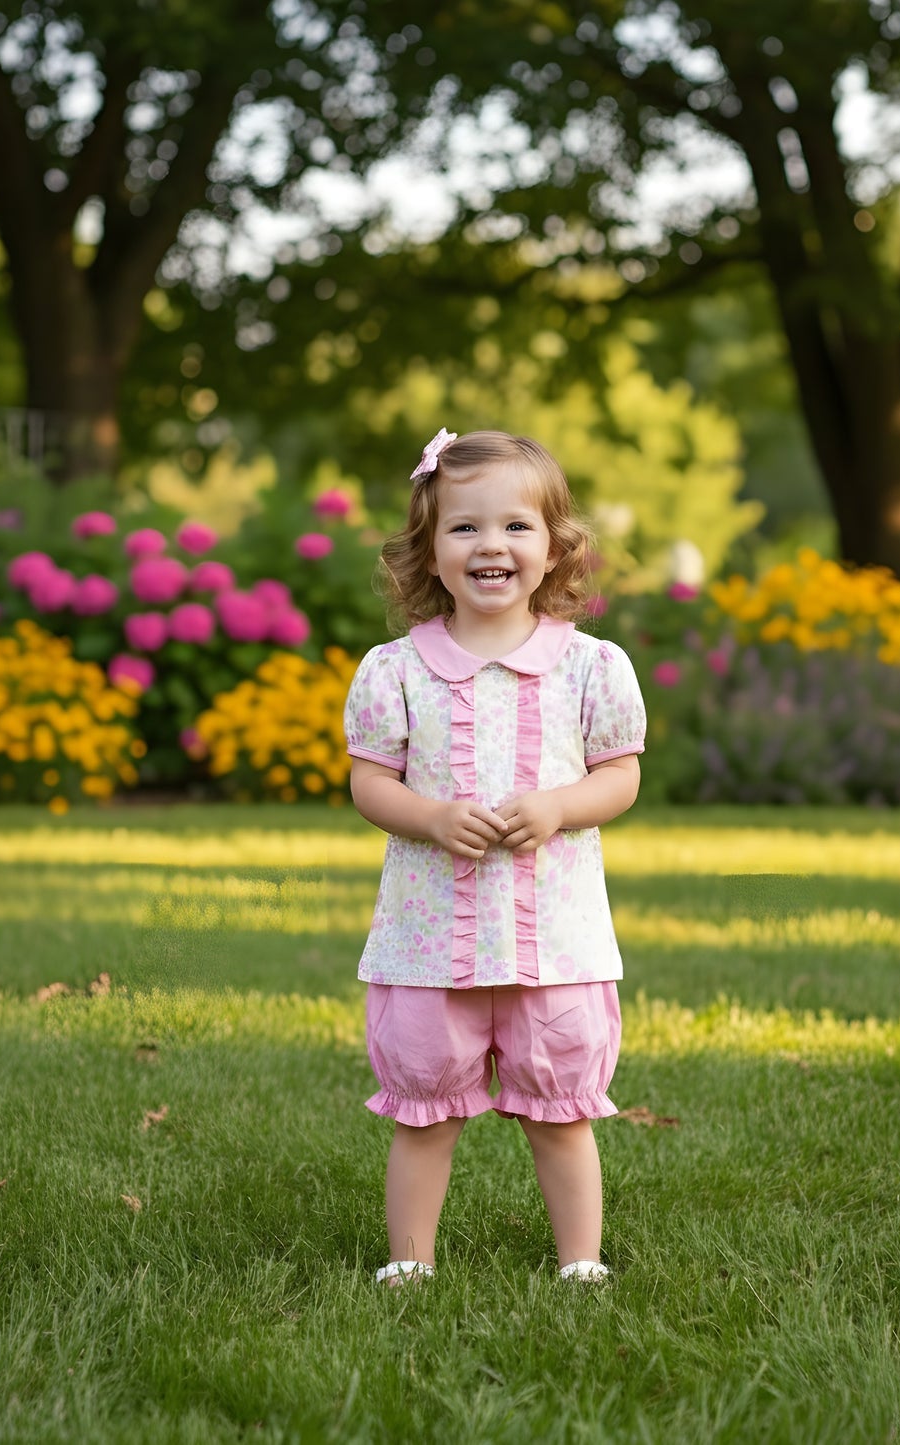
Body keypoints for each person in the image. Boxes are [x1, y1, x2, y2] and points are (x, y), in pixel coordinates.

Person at [343, 427, 647, 1286]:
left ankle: (580, 1261)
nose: (491, 546)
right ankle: (410, 1262)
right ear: (428, 551)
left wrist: (557, 804)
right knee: (425, 1111)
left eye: (515, 526)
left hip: (553, 941)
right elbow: (371, 783)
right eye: (464, 527)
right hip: (429, 943)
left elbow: (618, 776)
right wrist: (431, 817)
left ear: (553, 546)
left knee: (560, 1110)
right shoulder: (395, 670)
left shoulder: (589, 666)